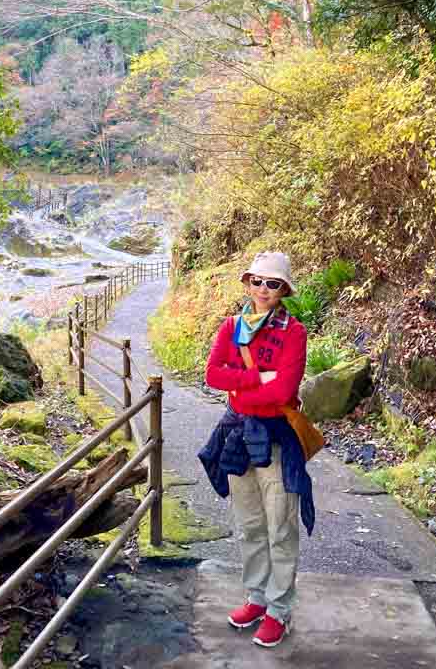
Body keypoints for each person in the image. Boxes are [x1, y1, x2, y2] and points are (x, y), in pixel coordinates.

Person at [197, 251, 314, 648]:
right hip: (238, 435)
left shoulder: (293, 333)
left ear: (284, 291)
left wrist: (239, 383)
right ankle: (256, 597)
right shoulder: (231, 326)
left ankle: (279, 609)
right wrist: (256, 375)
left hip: (277, 437)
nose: (264, 289)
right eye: (258, 281)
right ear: (247, 283)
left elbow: (283, 391)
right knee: (248, 523)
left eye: (273, 284)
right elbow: (213, 374)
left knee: (280, 524)